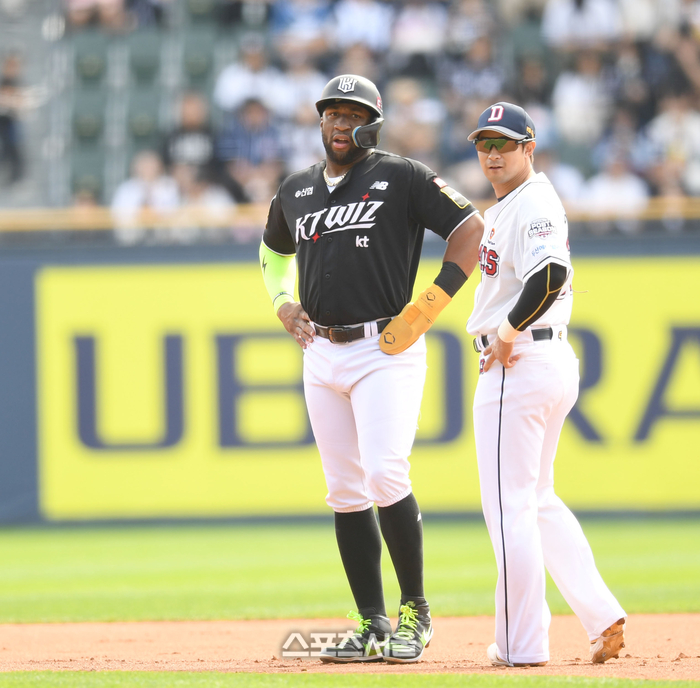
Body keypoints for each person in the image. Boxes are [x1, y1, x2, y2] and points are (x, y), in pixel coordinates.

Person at [259, 74, 483, 664]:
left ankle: (416, 613)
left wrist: (427, 307)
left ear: (373, 123)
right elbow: (274, 251)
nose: (340, 123)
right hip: (321, 349)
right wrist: (282, 300)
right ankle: (372, 623)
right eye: (332, 113)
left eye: (353, 114)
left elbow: (470, 230)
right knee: (344, 489)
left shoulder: (402, 176)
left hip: (385, 347)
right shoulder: (297, 188)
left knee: (385, 473)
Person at [465, 101, 626, 667]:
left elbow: (551, 273)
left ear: (528, 148)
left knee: (509, 508)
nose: (492, 154)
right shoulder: (514, 202)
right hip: (544, 359)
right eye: (484, 144)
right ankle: (601, 615)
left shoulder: (533, 199)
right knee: (537, 499)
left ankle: (521, 645)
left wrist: (507, 332)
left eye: (504, 144)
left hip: (521, 361)